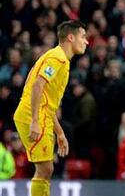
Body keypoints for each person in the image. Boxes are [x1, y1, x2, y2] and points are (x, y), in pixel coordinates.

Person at [13, 20, 88, 196]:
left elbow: (47, 102)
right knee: (45, 168)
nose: (86, 41)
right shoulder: (57, 58)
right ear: (71, 37)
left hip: (41, 115)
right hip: (32, 115)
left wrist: (59, 132)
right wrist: (34, 121)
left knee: (46, 169)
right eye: (83, 37)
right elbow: (38, 85)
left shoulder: (60, 59)